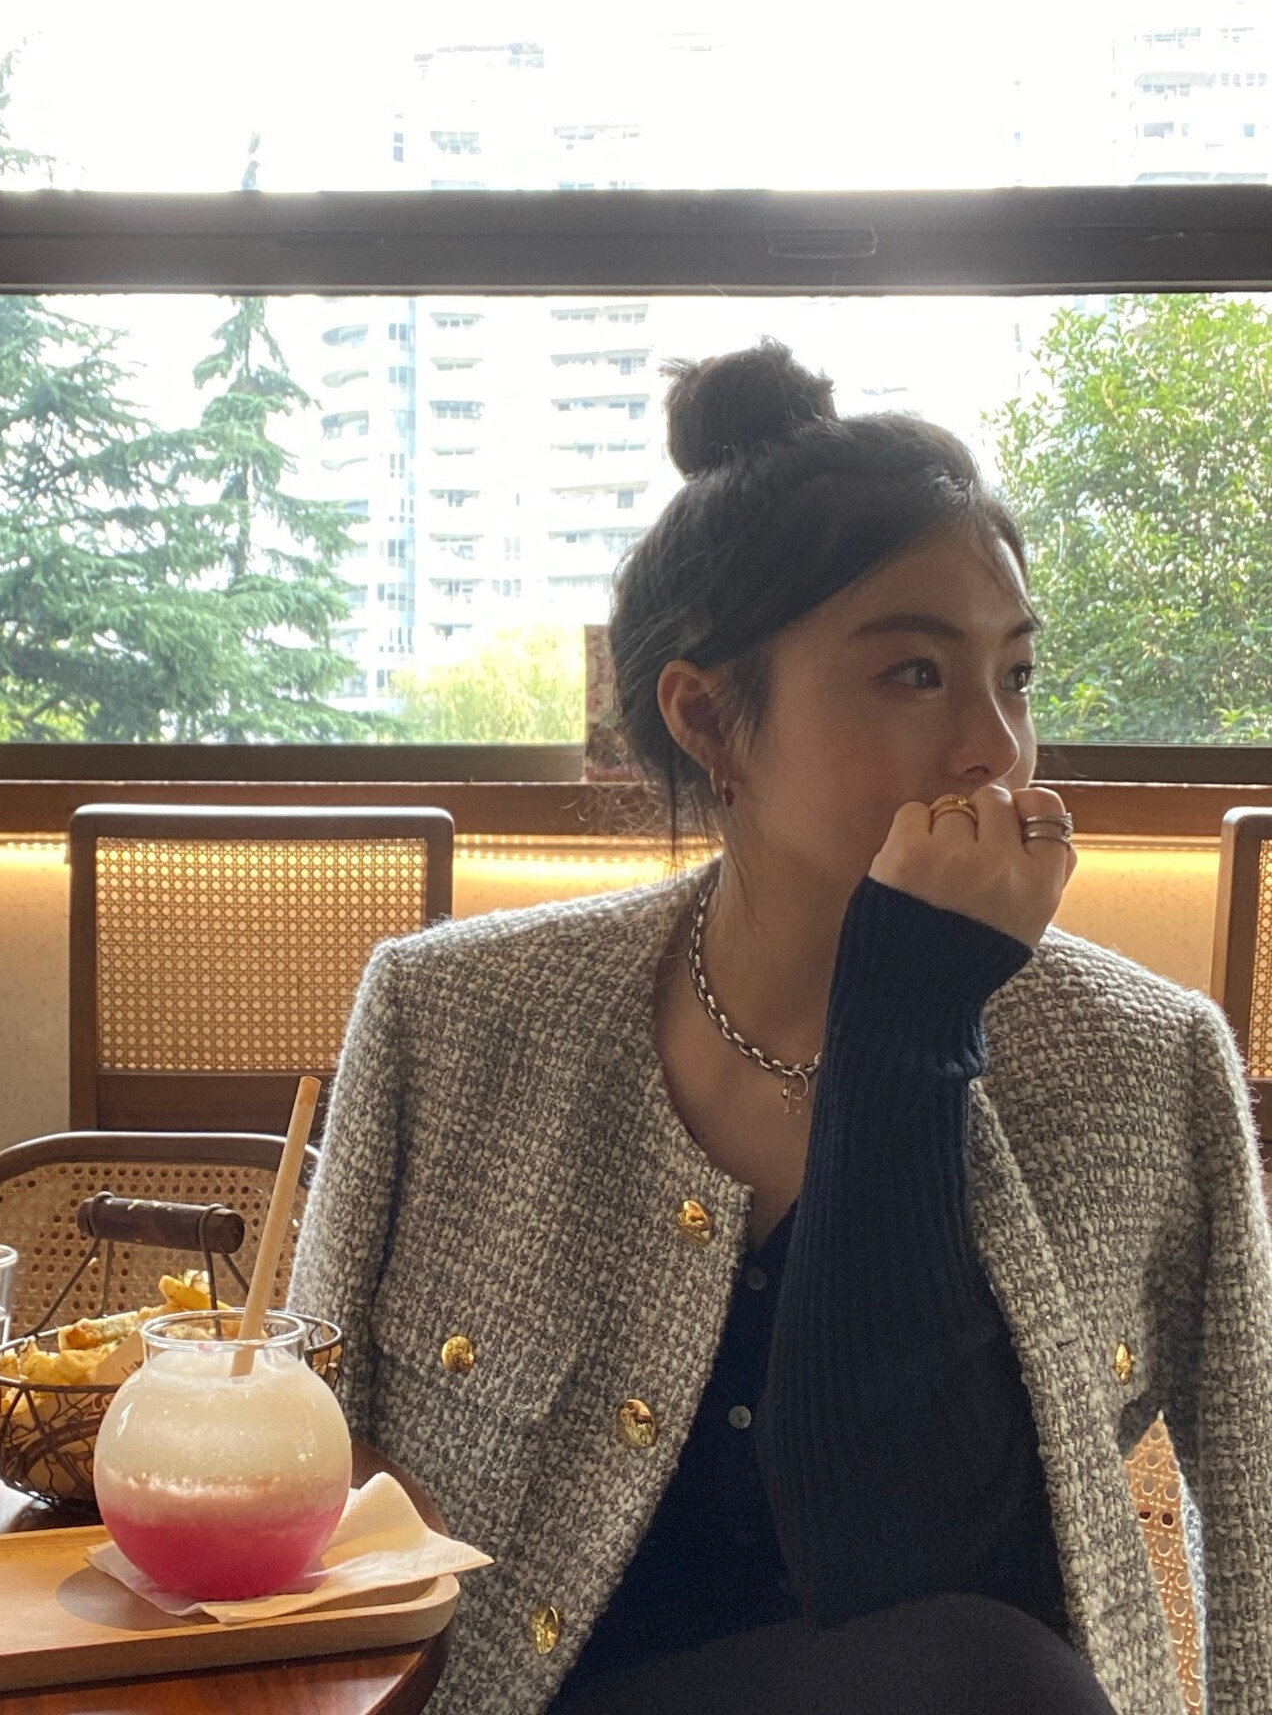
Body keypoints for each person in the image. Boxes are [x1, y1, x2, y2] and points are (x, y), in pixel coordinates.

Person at [289, 340, 1272, 1715]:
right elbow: (302, 1491)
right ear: (711, 719)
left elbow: (939, 1559)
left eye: (1016, 675)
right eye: (914, 674)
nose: (996, 747)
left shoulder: (1147, 1064)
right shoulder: (449, 1021)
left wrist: (910, 1016)